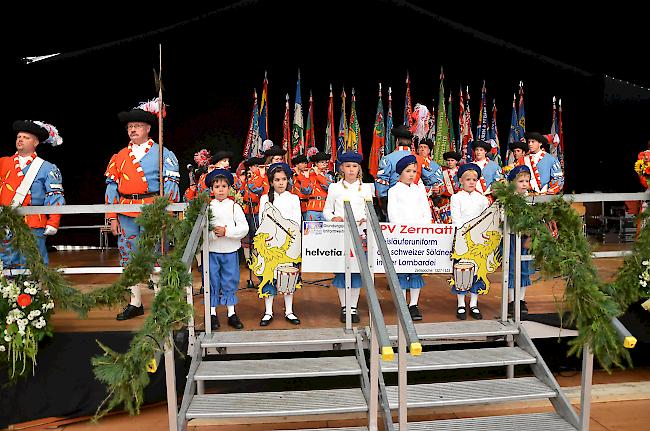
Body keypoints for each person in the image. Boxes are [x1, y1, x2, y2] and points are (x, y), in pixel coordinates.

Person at [105, 102, 180, 321]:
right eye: (130, 126)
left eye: (137, 125)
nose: (133, 130)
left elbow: (172, 185)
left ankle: (159, 302)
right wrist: (112, 216)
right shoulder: (118, 156)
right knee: (128, 258)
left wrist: (168, 214)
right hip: (126, 213)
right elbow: (111, 187)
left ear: (148, 128)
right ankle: (135, 302)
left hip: (154, 213)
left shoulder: (163, 153)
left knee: (157, 256)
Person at [0, 120, 65, 267]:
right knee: (7, 262)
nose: (20, 139)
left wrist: (53, 221)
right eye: (19, 137)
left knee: (34, 262)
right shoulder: (3, 163)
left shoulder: (47, 167)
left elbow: (54, 196)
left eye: (26, 137)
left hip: (34, 223)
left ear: (35, 143)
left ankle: (34, 290)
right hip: (5, 223)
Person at [323, 151, 374, 323]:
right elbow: (326, 210)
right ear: (341, 168)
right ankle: (344, 306)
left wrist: (366, 219)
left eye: (354, 166)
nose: (351, 170)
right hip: (340, 235)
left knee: (357, 271)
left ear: (359, 168)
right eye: (347, 166)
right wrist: (333, 218)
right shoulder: (334, 187)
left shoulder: (367, 188)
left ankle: (353, 306)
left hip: (360, 235)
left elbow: (370, 211)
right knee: (342, 271)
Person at [257, 162, 302, 326]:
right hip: (270, 245)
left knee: (288, 278)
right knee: (269, 278)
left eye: (284, 179)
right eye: (277, 180)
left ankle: (289, 311)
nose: (281, 183)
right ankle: (268, 312)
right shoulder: (264, 199)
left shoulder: (294, 198)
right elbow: (264, 221)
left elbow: (296, 221)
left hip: (288, 245)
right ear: (271, 182)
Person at [387, 154, 431, 321]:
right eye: (408, 171)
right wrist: (406, 229)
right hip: (402, 236)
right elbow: (393, 215)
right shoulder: (394, 191)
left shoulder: (419, 190)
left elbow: (426, 211)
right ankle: (401, 302)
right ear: (400, 172)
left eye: (414, 171)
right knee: (402, 269)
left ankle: (413, 304)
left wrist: (422, 226)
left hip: (419, 235)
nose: (412, 174)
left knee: (415, 270)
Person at [205, 168, 248, 330]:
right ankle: (212, 313)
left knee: (230, 280)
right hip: (212, 252)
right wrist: (214, 234)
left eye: (224, 186)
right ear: (211, 189)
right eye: (217, 187)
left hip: (230, 251)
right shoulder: (207, 208)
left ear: (229, 188)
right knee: (212, 281)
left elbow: (244, 228)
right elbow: (202, 231)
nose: (221, 189)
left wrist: (227, 232)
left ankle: (231, 313)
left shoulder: (234, 207)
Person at [450, 163, 489, 320]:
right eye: (468, 179)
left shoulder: (482, 199)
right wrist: (467, 233)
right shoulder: (456, 198)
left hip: (479, 242)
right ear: (461, 180)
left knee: (477, 273)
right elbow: (456, 220)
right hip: (462, 241)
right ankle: (461, 304)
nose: (471, 182)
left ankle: (474, 303)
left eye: (474, 179)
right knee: (461, 273)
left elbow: (486, 219)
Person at [375, 125, 442, 218]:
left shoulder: (387, 159)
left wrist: (384, 206)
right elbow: (435, 184)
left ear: (397, 141)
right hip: (416, 205)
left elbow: (381, 186)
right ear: (411, 143)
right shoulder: (420, 159)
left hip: (395, 203)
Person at [506, 165, 534, 317]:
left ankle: (521, 300)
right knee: (511, 269)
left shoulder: (530, 199)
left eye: (527, 181)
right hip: (511, 238)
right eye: (521, 181)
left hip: (525, 240)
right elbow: (504, 219)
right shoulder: (507, 199)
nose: (524, 184)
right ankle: (511, 301)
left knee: (524, 268)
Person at [304, 151, 333, 221]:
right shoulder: (310, 175)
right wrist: (306, 178)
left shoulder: (329, 176)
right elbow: (306, 191)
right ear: (316, 163)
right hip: (312, 207)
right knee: (310, 230)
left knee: (326, 230)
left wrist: (318, 174)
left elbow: (328, 187)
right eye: (322, 162)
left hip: (326, 208)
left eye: (325, 162)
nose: (324, 164)